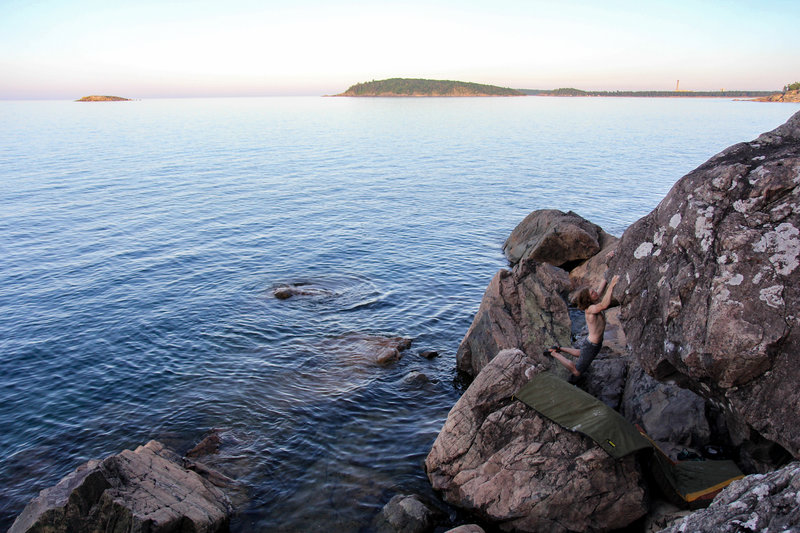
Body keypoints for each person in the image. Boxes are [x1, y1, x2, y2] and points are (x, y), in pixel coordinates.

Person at [548, 274, 620, 383]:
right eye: (592, 293)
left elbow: (600, 289)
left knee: (581, 352)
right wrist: (612, 285)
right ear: (589, 299)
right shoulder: (590, 309)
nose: (595, 292)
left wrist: (607, 270)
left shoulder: (593, 303)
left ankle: (559, 348)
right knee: (577, 371)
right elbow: (604, 305)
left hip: (591, 343)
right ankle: (553, 353)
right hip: (592, 345)